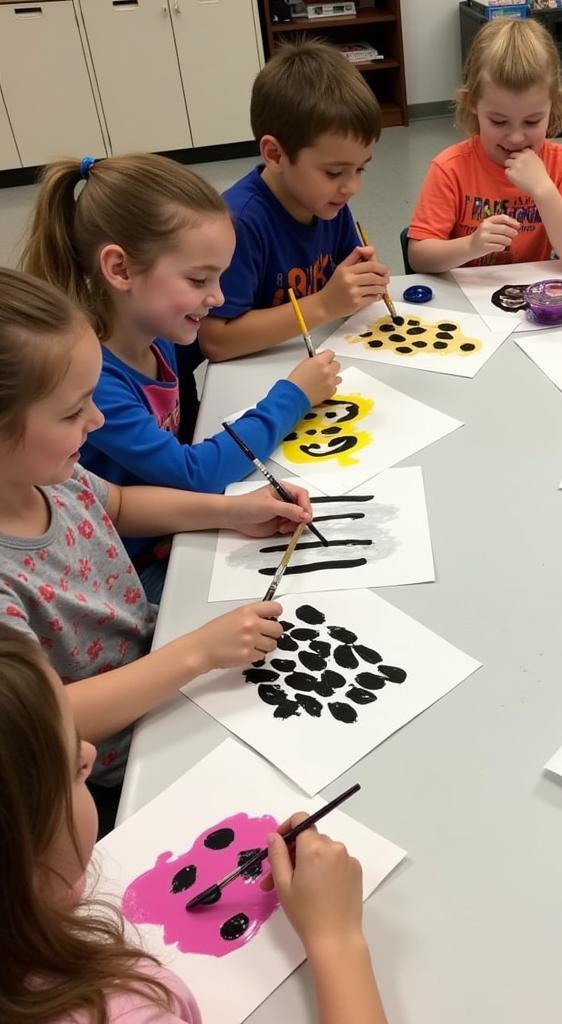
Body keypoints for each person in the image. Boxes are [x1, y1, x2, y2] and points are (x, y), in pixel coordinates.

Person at [0, 268, 308, 814]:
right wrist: (197, 652)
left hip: (163, 668)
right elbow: (48, 720)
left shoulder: (45, 473)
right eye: (72, 412)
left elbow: (117, 505)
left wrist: (234, 511)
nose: (96, 420)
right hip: (121, 767)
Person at [0, 622, 389, 1023]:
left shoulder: (35, 895)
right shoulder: (124, 1013)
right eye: (70, 766)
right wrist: (336, 941)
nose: (89, 753)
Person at [20, 154, 340, 595]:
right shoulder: (98, 382)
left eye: (220, 277)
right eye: (198, 279)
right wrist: (293, 396)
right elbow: (194, 473)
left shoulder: (159, 330)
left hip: (172, 525)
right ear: (121, 269)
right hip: (129, 566)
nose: (218, 297)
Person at [200, 40, 390, 361]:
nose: (351, 187)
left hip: (310, 359)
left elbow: (345, 283)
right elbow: (216, 342)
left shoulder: (329, 202)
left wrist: (363, 284)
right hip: (256, 378)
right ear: (275, 154)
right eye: (334, 172)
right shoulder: (238, 223)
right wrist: (326, 304)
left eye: (360, 169)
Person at [407, 18, 562, 273]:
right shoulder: (450, 168)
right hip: (466, 300)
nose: (516, 138)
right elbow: (418, 257)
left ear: (554, 105)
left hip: (532, 299)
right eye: (499, 122)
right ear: (472, 103)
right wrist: (470, 246)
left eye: (532, 121)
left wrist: (543, 189)